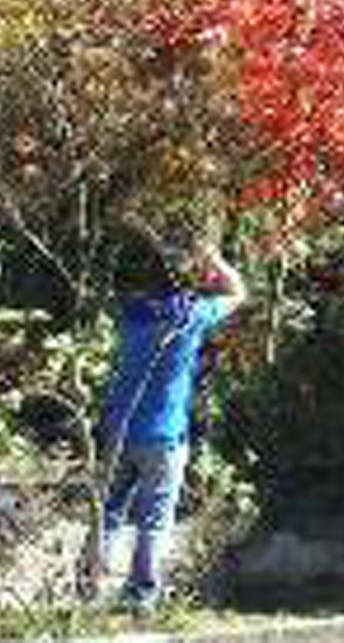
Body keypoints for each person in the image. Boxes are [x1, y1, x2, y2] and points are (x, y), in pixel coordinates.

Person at [85, 236, 245, 610]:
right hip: (164, 436)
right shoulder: (191, 315)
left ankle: (88, 589)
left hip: (119, 430)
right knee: (154, 520)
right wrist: (214, 258)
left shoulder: (130, 313)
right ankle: (140, 596)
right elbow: (238, 291)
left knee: (106, 512)